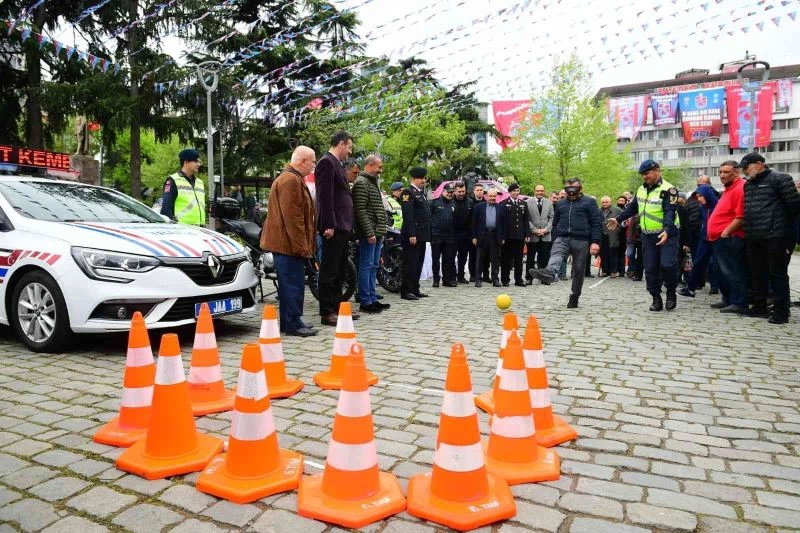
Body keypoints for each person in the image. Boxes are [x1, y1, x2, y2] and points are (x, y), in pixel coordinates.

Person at [608, 159, 680, 312]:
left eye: (647, 173)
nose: (644, 177)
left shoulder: (670, 190)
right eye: (642, 175)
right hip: (647, 236)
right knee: (650, 268)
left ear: (657, 171)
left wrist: (666, 230)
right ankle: (656, 298)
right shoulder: (640, 189)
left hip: (667, 234)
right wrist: (618, 218)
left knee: (668, 265)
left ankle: (671, 292)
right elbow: (633, 208)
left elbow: (670, 212)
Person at [260, 146, 318, 337]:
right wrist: (303, 247)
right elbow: (293, 219)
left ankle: (292, 320)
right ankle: (292, 322)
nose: (314, 165)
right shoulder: (290, 181)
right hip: (287, 245)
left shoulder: (292, 179)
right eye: (313, 161)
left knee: (293, 283)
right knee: (292, 283)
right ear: (302, 161)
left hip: (287, 243)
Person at [741, 153, 800, 324]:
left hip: (775, 235)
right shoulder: (749, 185)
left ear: (759, 164)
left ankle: (781, 310)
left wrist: (781, 229)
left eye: (747, 167)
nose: (745, 171)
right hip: (753, 235)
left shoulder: (780, 179)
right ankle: (760, 306)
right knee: (757, 273)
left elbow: (794, 206)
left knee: (777, 274)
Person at [529, 178, 601, 308]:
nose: (571, 192)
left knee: (578, 270)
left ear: (580, 189)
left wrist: (595, 242)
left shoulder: (590, 202)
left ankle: (574, 296)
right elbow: (555, 222)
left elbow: (596, 222)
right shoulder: (561, 204)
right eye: (568, 189)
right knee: (556, 254)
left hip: (582, 240)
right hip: (562, 238)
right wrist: (555, 237)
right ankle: (550, 272)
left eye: (574, 189)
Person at [316, 130, 356, 326]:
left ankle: (338, 306)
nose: (349, 152)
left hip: (343, 226)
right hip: (334, 226)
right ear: (341, 144)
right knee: (329, 270)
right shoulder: (326, 162)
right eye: (348, 147)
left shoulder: (337, 164)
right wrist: (328, 224)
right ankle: (327, 311)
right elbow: (325, 197)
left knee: (340, 270)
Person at [706, 161, 748, 314]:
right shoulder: (728, 189)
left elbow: (740, 216)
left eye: (726, 172)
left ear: (736, 172)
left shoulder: (740, 188)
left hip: (730, 237)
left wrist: (726, 232)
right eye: (720, 172)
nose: (722, 175)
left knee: (733, 270)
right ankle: (728, 299)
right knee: (721, 271)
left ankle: (739, 302)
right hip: (719, 238)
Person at [352, 155, 390, 314]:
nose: (381, 171)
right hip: (370, 233)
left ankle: (372, 297)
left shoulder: (371, 182)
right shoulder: (361, 183)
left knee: (374, 265)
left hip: (377, 231)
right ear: (369, 165)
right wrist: (369, 232)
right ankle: (365, 300)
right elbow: (360, 211)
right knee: (367, 265)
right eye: (379, 167)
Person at [679, 184, 719, 298]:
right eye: (698, 196)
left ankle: (717, 288)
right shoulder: (702, 208)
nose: (699, 199)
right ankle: (691, 288)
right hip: (704, 238)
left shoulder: (717, 206)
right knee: (697, 263)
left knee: (716, 265)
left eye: (701, 196)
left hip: (717, 239)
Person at [400, 167, 432, 300]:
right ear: (414, 178)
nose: (423, 181)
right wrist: (411, 234)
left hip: (421, 235)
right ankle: (407, 291)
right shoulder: (408, 192)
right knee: (410, 263)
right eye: (421, 178)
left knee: (418, 263)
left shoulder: (420, 193)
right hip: (412, 235)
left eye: (424, 178)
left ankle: (415, 288)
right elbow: (408, 215)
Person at [160, 148, 206, 225]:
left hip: (200, 229)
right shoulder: (173, 180)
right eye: (195, 161)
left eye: (199, 162)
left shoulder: (200, 182)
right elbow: (166, 208)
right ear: (186, 162)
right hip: (182, 230)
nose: (198, 164)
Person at [471, 188, 504, 287]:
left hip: (495, 236)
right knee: (480, 259)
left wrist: (502, 237)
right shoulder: (478, 207)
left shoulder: (501, 208)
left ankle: (495, 279)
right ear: (486, 196)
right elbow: (473, 223)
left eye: (494, 196)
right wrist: (474, 237)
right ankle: (478, 279)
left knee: (495, 259)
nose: (493, 198)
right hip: (482, 235)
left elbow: (504, 224)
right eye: (491, 196)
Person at [499, 183, 530, 287]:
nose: (516, 193)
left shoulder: (523, 204)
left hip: (519, 236)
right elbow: (501, 222)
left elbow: (526, 220)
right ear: (510, 192)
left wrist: (527, 234)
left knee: (519, 260)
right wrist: (502, 236)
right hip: (507, 237)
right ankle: (505, 279)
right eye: (514, 191)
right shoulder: (503, 204)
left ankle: (518, 279)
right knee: (506, 259)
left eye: (518, 191)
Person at [525, 184, 554, 283]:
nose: (540, 192)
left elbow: (552, 218)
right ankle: (529, 278)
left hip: (546, 235)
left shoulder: (549, 203)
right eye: (538, 190)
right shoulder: (528, 202)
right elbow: (526, 219)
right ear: (534, 191)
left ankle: (544, 278)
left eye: (542, 190)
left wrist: (546, 229)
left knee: (544, 257)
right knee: (530, 258)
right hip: (533, 235)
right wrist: (535, 230)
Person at [430, 184, 457, 287]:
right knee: (436, 259)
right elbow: (429, 218)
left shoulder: (453, 204)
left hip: (449, 236)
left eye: (451, 192)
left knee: (448, 259)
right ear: (443, 191)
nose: (450, 194)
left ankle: (447, 280)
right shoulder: (434, 203)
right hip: (437, 235)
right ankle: (436, 279)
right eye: (448, 192)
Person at [452, 181, 474, 284]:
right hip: (453, 233)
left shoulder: (470, 201)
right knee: (451, 256)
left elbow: (473, 219)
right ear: (455, 191)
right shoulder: (451, 201)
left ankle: (461, 276)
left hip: (466, 234)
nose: (461, 194)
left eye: (463, 191)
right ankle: (452, 276)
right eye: (459, 191)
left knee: (463, 256)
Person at [599, 196, 622, 277]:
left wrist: (618, 228)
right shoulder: (598, 211)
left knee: (613, 253)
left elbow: (624, 221)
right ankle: (604, 271)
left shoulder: (617, 210)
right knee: (603, 253)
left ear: (610, 202)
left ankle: (613, 271)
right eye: (603, 202)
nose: (604, 204)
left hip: (613, 234)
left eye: (606, 202)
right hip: (602, 234)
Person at [469, 182, 488, 282]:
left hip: (485, 233)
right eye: (478, 190)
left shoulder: (487, 202)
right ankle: (473, 274)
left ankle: (485, 275)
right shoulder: (470, 203)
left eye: (481, 190)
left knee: (485, 256)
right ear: (474, 191)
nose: (480, 192)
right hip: (474, 233)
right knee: (473, 255)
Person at [615, 195, 628, 277]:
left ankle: (621, 271)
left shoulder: (627, 211)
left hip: (624, 234)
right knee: (614, 252)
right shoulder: (614, 210)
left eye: (622, 201)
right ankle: (614, 269)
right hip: (615, 234)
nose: (620, 202)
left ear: (625, 202)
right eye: (619, 200)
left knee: (622, 253)